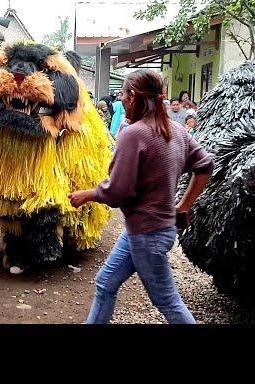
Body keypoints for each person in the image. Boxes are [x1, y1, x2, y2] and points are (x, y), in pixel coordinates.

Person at [69, 69, 214, 324]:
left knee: (168, 301)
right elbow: (205, 166)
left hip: (148, 235)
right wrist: (183, 206)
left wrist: (89, 194)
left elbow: (117, 192)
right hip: (149, 230)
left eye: (122, 95)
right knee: (105, 282)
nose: (121, 100)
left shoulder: (133, 134)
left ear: (133, 96)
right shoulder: (177, 131)